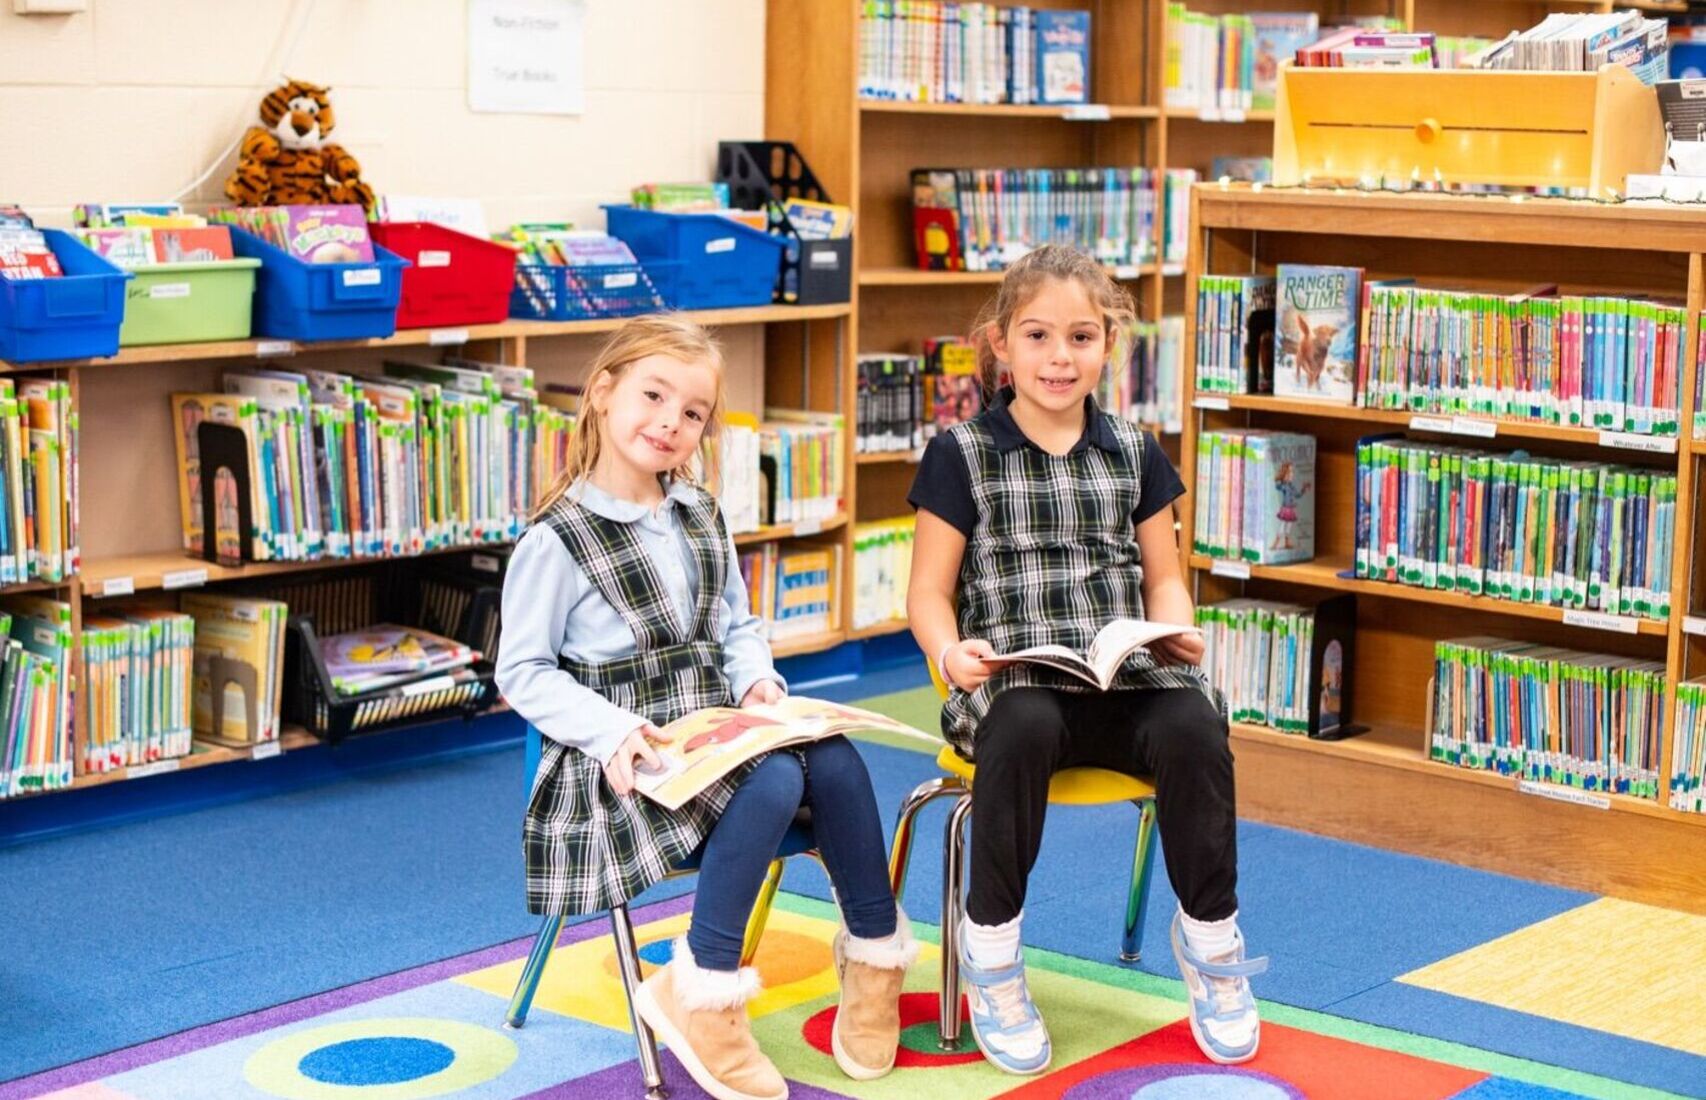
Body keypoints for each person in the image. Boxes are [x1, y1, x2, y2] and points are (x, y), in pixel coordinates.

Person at [496, 315, 915, 1100]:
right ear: (602, 393)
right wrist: (614, 730)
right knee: (779, 780)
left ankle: (873, 959)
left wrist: (758, 685)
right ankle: (705, 992)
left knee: (833, 758)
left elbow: (737, 626)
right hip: (618, 762)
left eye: (692, 413)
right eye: (654, 397)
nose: (670, 423)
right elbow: (521, 672)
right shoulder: (556, 540)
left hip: (717, 729)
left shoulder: (699, 512)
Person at [905, 245, 1268, 1073]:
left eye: (1080, 337)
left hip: (1125, 678)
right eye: (1038, 336)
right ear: (1000, 342)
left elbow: (1164, 578)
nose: (1059, 358)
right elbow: (928, 591)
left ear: (1110, 343)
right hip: (1016, 683)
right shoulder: (961, 453)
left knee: (1195, 724)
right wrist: (948, 651)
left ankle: (1212, 937)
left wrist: (1175, 631)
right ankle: (993, 949)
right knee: (1025, 724)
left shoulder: (1135, 450)